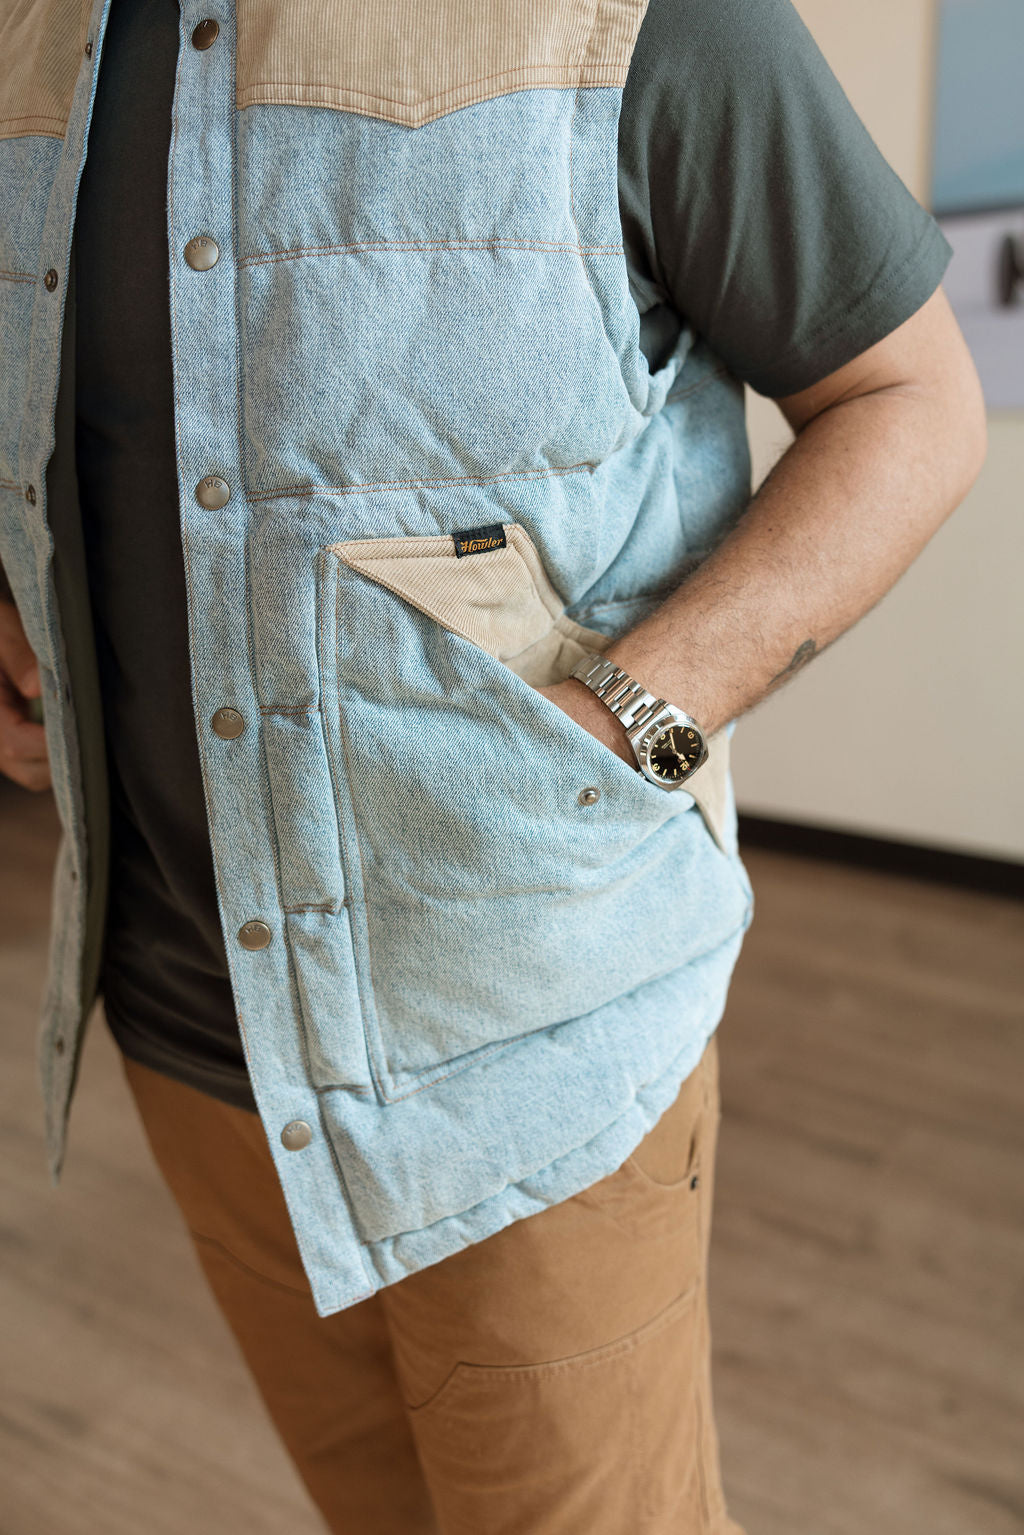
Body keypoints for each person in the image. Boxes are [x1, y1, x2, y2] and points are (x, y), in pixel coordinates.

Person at [0, 0, 985, 1530]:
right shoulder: (29, 36)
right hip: (192, 1024)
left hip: (525, 1056)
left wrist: (630, 721)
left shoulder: (658, 17)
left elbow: (913, 402)